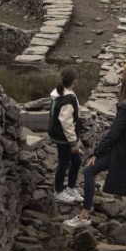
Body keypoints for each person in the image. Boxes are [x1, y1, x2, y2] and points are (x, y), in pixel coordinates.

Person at [64, 69, 126, 228]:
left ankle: (84, 215)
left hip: (122, 152)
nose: (120, 80)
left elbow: (113, 134)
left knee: (89, 171)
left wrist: (96, 153)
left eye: (122, 79)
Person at [48, 67, 83, 204]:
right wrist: (73, 143)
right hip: (64, 137)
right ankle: (58, 191)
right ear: (74, 81)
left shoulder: (60, 93)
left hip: (62, 135)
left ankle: (70, 187)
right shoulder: (67, 99)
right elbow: (66, 122)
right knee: (64, 163)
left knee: (76, 161)